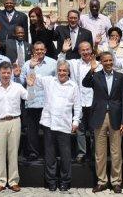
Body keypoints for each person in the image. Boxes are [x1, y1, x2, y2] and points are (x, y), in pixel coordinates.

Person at [26, 61, 81, 192]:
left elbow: (77, 106)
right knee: (50, 155)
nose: (62, 72)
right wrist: (32, 67)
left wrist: (76, 121)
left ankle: (65, 181)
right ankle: (51, 181)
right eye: (60, 70)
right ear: (57, 71)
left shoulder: (73, 86)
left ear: (68, 72)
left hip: (64, 124)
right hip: (49, 123)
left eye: (64, 70)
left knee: (65, 155)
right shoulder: (49, 81)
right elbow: (34, 78)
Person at [82, 52, 123, 194]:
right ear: (101, 62)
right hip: (99, 116)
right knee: (100, 153)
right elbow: (85, 83)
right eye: (105, 61)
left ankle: (116, 182)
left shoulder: (121, 77)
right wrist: (92, 69)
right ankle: (102, 181)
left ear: (113, 61)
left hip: (115, 117)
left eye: (110, 60)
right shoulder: (96, 76)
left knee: (116, 151)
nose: (108, 63)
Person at [0, 62, 28, 192]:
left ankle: (13, 181)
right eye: (4, 72)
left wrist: (31, 86)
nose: (6, 75)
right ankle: (1, 181)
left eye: (8, 72)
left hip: (14, 121)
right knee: (0, 153)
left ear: (12, 73)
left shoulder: (18, 86)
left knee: (13, 152)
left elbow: (29, 97)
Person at [59, 40, 102, 163]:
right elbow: (60, 65)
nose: (86, 52)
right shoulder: (74, 63)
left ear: (91, 50)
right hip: (79, 101)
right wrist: (63, 51)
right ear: (79, 52)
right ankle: (82, 153)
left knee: (95, 130)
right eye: (82, 50)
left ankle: (95, 153)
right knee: (80, 130)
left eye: (88, 49)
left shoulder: (98, 65)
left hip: (94, 102)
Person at [15, 42, 57, 161]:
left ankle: (49, 153)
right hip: (32, 102)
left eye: (41, 49)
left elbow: (57, 82)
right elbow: (20, 83)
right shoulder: (27, 64)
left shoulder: (53, 63)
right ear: (33, 51)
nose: (39, 51)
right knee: (32, 130)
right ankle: (33, 152)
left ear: (45, 50)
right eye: (37, 49)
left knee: (48, 130)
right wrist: (17, 76)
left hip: (47, 102)